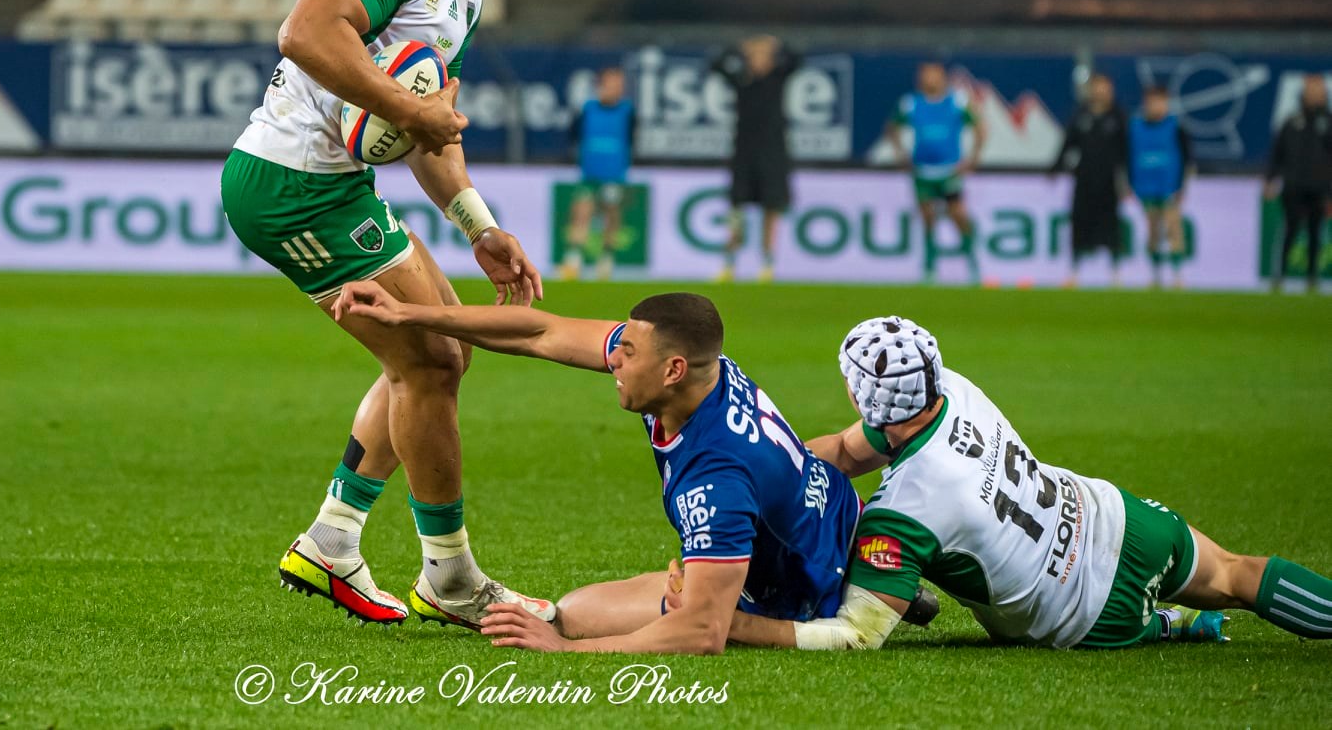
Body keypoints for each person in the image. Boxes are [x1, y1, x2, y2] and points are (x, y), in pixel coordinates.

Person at [220, 0, 555, 629]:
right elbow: (305, 34)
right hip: (291, 186)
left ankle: (333, 541)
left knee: (442, 355)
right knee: (433, 361)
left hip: (335, 187)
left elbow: (432, 126)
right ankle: (449, 575)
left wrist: (479, 225)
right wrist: (409, 110)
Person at [331, 281, 933, 655]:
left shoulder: (716, 476)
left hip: (801, 592)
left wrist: (558, 652)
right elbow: (541, 331)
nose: (613, 357)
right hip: (828, 515)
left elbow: (699, 635)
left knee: (567, 624)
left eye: (627, 352)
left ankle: (867, 601)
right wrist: (409, 315)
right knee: (574, 609)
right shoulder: (696, 376)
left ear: (671, 369)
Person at [690, 315, 1332, 652]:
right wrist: (774, 465)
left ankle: (1164, 624)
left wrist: (735, 627)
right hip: (1116, 520)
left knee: (1133, 619)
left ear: (866, 397)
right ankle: (1181, 617)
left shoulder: (903, 511)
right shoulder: (951, 390)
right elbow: (849, 449)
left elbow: (856, 636)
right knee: (1237, 576)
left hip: (1084, 613)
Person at [883, 61, 985, 284]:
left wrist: (973, 158)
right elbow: (892, 128)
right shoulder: (911, 104)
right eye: (924, 75)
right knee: (928, 217)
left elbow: (979, 127)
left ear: (942, 77)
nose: (928, 79)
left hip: (949, 170)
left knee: (958, 214)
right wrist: (901, 153)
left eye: (932, 75)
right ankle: (929, 268)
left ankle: (972, 263)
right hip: (923, 171)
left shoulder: (957, 102)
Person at [709, 36, 798, 283]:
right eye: (754, 57)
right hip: (744, 156)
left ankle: (767, 265)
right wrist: (738, 48)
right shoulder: (741, 81)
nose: (758, 62)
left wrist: (776, 44)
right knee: (736, 209)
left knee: (771, 209)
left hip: (772, 156)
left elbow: (797, 59)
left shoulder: (777, 79)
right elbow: (715, 64)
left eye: (763, 57)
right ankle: (729, 263)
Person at [1050, 73, 1128, 288]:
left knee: (1111, 225)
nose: (1100, 92)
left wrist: (1127, 180)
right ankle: (1074, 272)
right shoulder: (1080, 115)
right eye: (1097, 87)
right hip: (1083, 179)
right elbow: (1068, 144)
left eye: (1104, 87)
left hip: (1109, 181)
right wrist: (1055, 168)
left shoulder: (1118, 117)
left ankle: (1115, 273)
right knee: (1079, 223)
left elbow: (1126, 152)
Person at [560, 65, 636, 282]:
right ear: (601, 85)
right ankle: (573, 262)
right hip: (589, 174)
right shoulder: (587, 109)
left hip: (614, 175)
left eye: (620, 85)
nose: (617, 89)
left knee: (611, 217)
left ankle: (606, 262)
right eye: (612, 83)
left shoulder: (627, 111)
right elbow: (574, 135)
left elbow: (631, 138)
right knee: (581, 213)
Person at [1264, 74, 1332, 293]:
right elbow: (1277, 153)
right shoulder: (1291, 122)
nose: (1314, 94)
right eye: (1310, 89)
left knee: (1315, 233)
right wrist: (1270, 178)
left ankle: (1312, 277)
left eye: (1317, 90)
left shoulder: (1329, 122)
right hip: (1294, 185)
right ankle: (1279, 275)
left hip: (1320, 187)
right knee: (1289, 230)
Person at [1128, 84, 1194, 289]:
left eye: (1159, 101)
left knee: (1174, 229)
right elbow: (1127, 158)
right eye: (1150, 101)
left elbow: (1187, 159)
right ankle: (1155, 275)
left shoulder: (1176, 126)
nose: (1154, 106)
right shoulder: (1135, 127)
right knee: (1152, 232)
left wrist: (1183, 186)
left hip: (1169, 188)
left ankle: (1177, 275)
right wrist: (1129, 184)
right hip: (1146, 188)